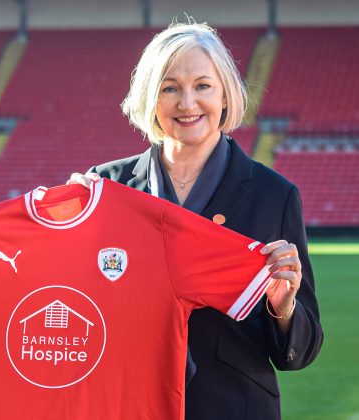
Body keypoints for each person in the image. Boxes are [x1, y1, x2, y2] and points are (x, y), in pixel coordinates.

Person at [69, 21, 323, 419]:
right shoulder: (105, 187)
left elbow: (300, 353)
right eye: (170, 88)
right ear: (150, 98)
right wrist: (71, 227)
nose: (187, 103)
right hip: (128, 404)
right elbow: (79, 300)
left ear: (225, 94)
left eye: (203, 85)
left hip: (234, 407)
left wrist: (284, 309)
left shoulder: (273, 195)